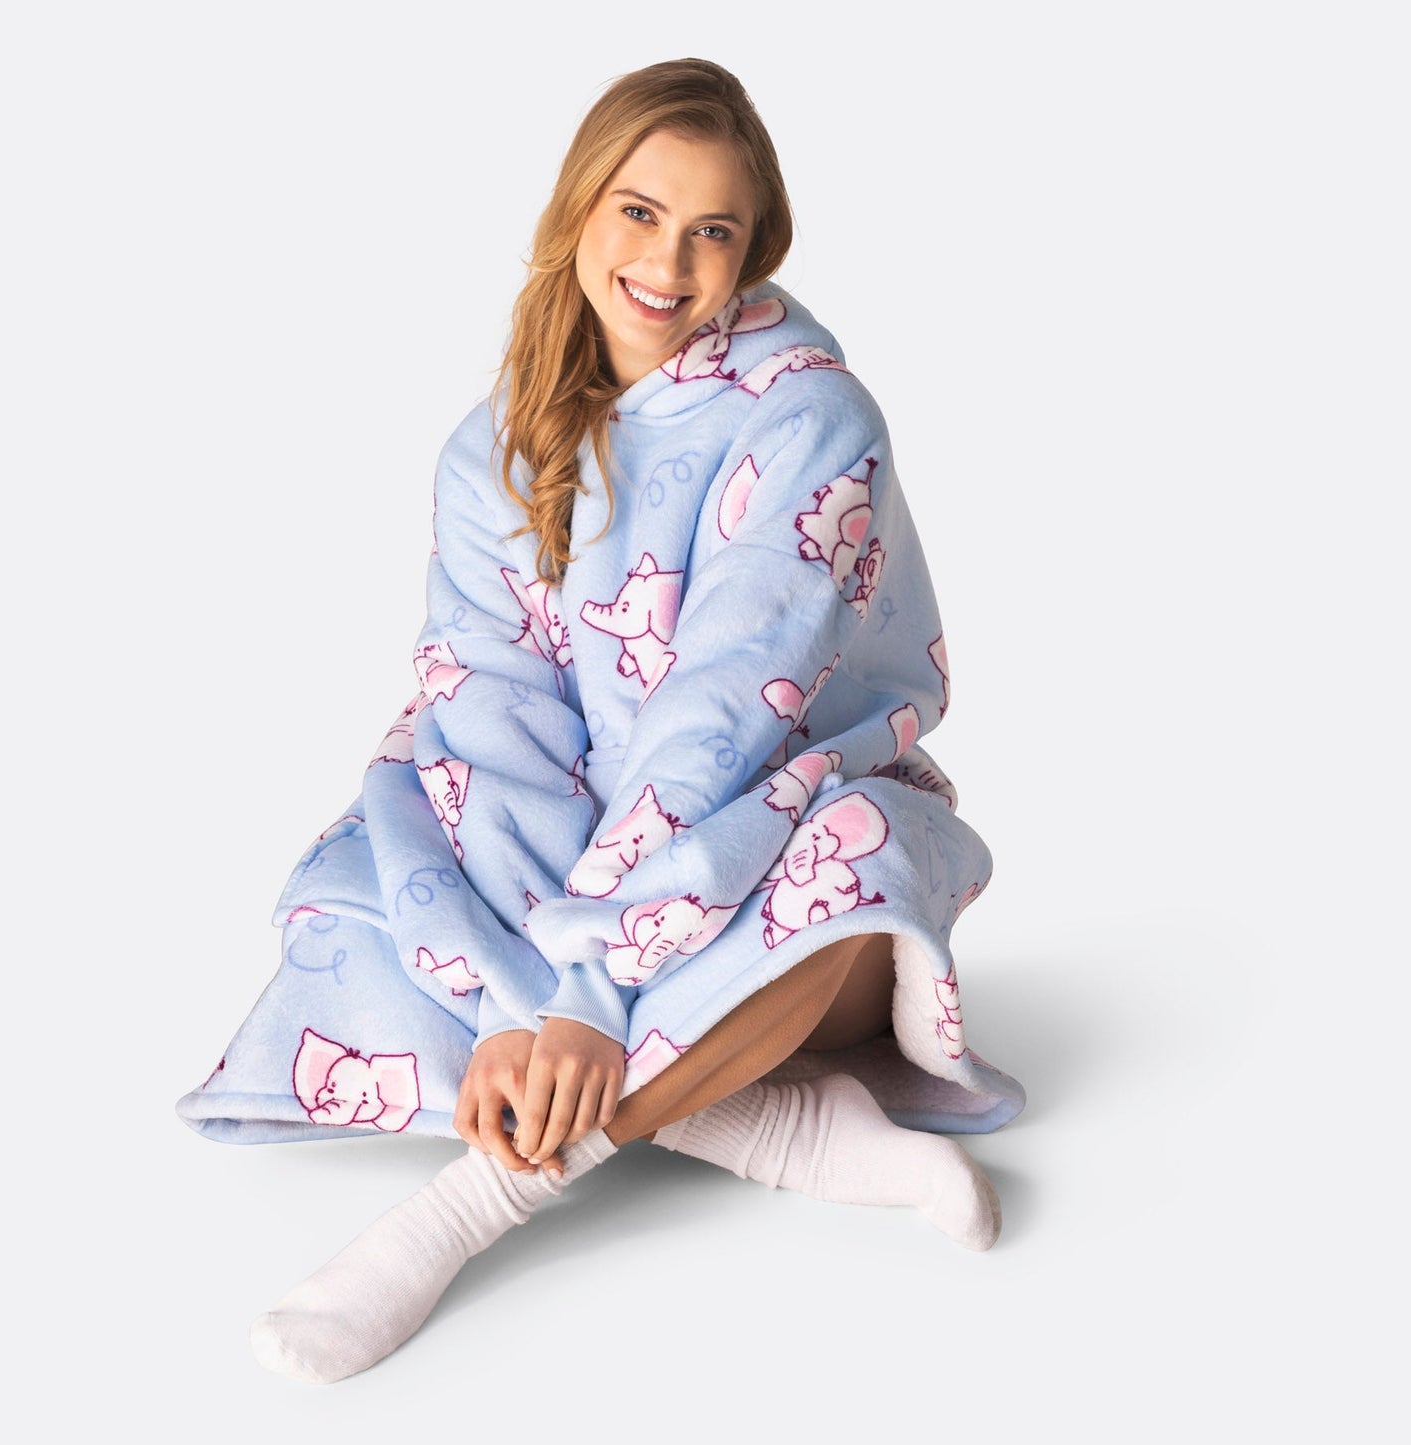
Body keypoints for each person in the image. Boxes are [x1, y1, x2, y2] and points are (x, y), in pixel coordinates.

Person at [176, 56, 1025, 1385]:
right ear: (578, 207)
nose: (667, 263)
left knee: (846, 864)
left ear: (754, 251)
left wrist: (583, 994)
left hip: (768, 814)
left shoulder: (811, 419)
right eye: (639, 211)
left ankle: (467, 1208)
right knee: (383, 854)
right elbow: (493, 709)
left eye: (712, 230)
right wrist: (522, 998)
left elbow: (726, 711)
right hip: (583, 849)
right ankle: (772, 1125)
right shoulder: (491, 452)